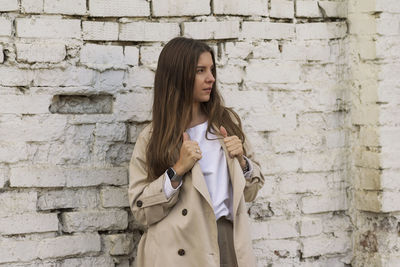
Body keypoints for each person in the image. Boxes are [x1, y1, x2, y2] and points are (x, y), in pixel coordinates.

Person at [128, 37, 264, 267]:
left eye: (211, 69)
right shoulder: (152, 138)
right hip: (176, 252)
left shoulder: (225, 123)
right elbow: (141, 211)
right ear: (178, 76)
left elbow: (252, 191)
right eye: (200, 70)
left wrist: (242, 162)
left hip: (227, 241)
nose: (210, 78)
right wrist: (178, 169)